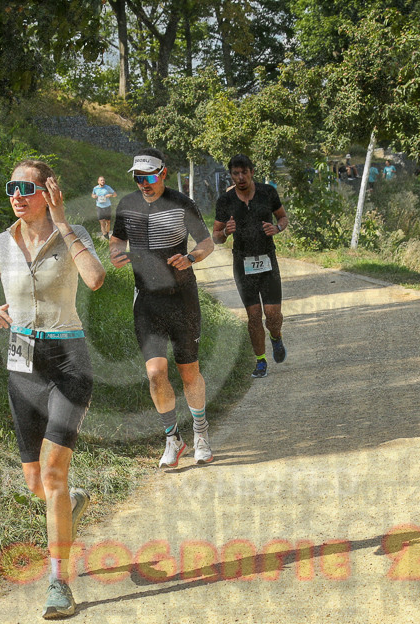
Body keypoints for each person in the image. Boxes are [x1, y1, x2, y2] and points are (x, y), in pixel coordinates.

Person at [0, 159, 106, 619]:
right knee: (36, 483)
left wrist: (64, 222)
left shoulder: (74, 235)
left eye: (26, 188)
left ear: (48, 193)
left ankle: (58, 583)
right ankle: (70, 505)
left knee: (52, 473)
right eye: (11, 187)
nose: (16, 196)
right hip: (22, 361)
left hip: (69, 360)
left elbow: (96, 279)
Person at [109, 148, 216, 468]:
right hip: (147, 300)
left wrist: (191, 257)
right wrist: (116, 253)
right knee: (155, 374)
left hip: (182, 298)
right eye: (138, 178)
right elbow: (117, 239)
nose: (144, 183)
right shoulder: (127, 205)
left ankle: (201, 434)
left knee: (188, 372)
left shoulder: (182, 203)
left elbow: (206, 243)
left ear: (163, 174)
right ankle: (173, 439)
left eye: (150, 177)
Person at [212, 154, 289, 379]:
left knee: (273, 316)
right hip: (242, 264)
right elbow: (216, 236)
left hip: (267, 260)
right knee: (254, 316)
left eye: (244, 172)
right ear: (231, 175)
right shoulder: (225, 201)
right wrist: (226, 232)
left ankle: (275, 336)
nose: (240, 177)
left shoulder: (268, 193)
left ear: (252, 172)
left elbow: (283, 218)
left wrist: (277, 228)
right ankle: (261, 361)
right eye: (235, 173)